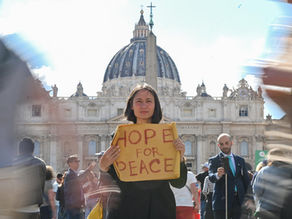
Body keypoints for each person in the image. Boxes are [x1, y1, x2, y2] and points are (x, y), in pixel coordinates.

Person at [99, 83, 187, 219]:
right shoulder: (119, 137)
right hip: (126, 208)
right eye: (139, 101)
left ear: (155, 105)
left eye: (148, 101)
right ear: (131, 106)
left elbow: (178, 183)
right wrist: (103, 167)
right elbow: (110, 183)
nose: (144, 106)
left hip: (159, 208)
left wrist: (180, 159)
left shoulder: (169, 137)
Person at [208, 133, 250, 219]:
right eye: (222, 144)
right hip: (222, 202)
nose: (224, 146)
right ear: (218, 145)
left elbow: (246, 180)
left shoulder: (240, 160)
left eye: (227, 143)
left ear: (231, 143)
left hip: (238, 201)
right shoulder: (214, 160)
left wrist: (249, 198)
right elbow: (211, 176)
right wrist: (217, 175)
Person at [252, 148, 292, 219]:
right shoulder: (289, 171)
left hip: (267, 211)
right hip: (287, 211)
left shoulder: (264, 171)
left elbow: (257, 191)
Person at [12, 138, 47, 219]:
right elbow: (42, 186)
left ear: (19, 150)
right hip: (33, 208)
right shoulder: (41, 164)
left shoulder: (12, 163)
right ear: (33, 150)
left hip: (15, 207)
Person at [64, 154, 96, 219]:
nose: (78, 163)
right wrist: (88, 170)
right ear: (70, 163)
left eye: (78, 161)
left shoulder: (75, 173)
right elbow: (78, 180)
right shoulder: (69, 174)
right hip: (73, 206)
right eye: (76, 161)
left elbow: (78, 187)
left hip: (78, 205)